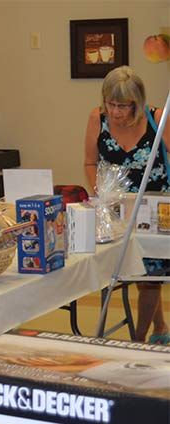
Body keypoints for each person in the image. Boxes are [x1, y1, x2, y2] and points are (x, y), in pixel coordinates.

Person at [84, 65, 170, 344]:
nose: (117, 112)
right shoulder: (97, 118)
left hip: (153, 211)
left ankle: (138, 340)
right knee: (131, 269)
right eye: (111, 104)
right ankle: (160, 326)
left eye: (124, 105)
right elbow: (90, 162)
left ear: (138, 102)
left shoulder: (157, 118)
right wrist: (100, 193)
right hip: (116, 209)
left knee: (149, 274)